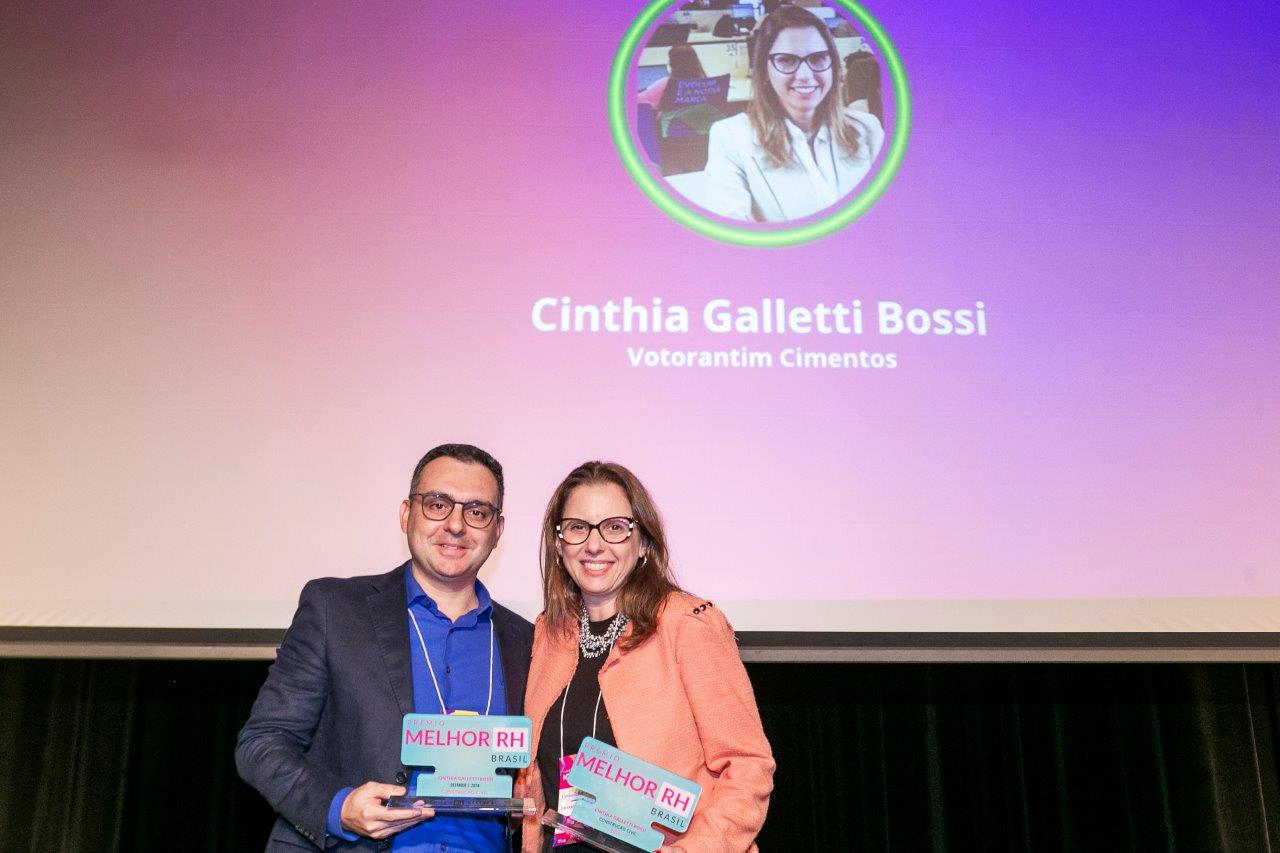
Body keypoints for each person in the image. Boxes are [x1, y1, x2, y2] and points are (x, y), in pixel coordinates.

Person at [236, 443, 534, 852]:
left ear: (497, 531)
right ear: (406, 514)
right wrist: (338, 807)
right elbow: (263, 742)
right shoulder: (336, 610)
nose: (456, 525)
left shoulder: (526, 640)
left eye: (477, 512)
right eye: (437, 504)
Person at [519, 461, 774, 851]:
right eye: (577, 527)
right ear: (559, 544)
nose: (594, 544)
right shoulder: (548, 634)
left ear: (643, 544)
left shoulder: (688, 624)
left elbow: (748, 768)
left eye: (615, 527)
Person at [701, 5, 884, 222]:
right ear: (764, 70)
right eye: (786, 60)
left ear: (833, 65)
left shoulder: (867, 128)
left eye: (818, 58)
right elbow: (728, 229)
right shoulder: (731, 137)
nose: (805, 75)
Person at [637, 43, 709, 110]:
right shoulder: (706, 85)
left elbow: (637, 99)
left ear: (672, 64)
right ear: (696, 61)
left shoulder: (667, 84)